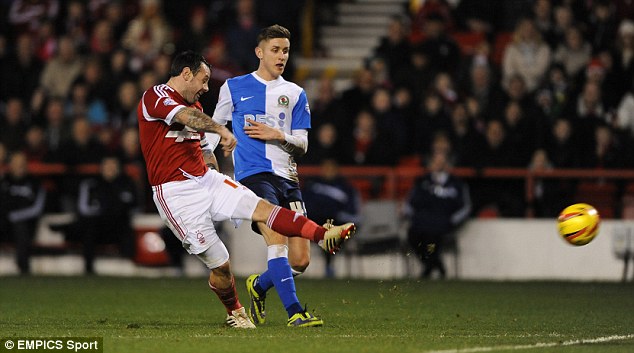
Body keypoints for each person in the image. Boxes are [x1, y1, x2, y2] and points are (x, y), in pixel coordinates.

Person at [136, 50, 355, 329]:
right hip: (176, 194)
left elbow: (203, 150)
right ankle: (236, 311)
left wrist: (213, 166)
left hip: (205, 180)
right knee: (221, 266)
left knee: (264, 210)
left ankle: (324, 235)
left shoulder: (199, 110)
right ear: (186, 74)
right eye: (203, 80)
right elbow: (185, 116)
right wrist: (223, 131)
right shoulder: (155, 96)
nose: (205, 88)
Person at [211, 25, 328, 328]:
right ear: (259, 52)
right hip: (254, 177)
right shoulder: (233, 87)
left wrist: (278, 135)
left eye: (285, 51)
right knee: (276, 240)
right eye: (275, 50)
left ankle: (259, 286)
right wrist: (209, 158)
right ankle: (295, 312)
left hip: (288, 179)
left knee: (300, 260)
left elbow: (302, 143)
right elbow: (213, 128)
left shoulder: (295, 93)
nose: (281, 56)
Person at [404, 152, 471, 279]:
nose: (439, 165)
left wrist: (453, 220)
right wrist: (411, 215)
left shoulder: (456, 183)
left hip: (442, 222)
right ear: (431, 164)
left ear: (448, 165)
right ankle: (434, 264)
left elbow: (465, 206)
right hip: (421, 221)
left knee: (432, 238)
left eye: (442, 162)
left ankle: (429, 267)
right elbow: (410, 202)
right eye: (436, 162)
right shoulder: (422, 181)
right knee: (412, 235)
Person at [302, 159, 361, 278]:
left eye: (331, 169)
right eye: (326, 168)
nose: (328, 171)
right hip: (315, 222)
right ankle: (291, 269)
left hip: (337, 223)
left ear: (336, 170)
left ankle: (329, 267)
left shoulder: (345, 188)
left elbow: (352, 212)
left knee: (330, 234)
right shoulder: (312, 185)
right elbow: (303, 206)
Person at [0, 151, 46, 275]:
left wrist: (16, 216)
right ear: (10, 165)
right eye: (16, 163)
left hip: (25, 223)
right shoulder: (4, 181)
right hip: (4, 221)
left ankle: (24, 268)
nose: (19, 166)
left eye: (22, 163)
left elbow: (38, 208)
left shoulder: (34, 182)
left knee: (20, 227)